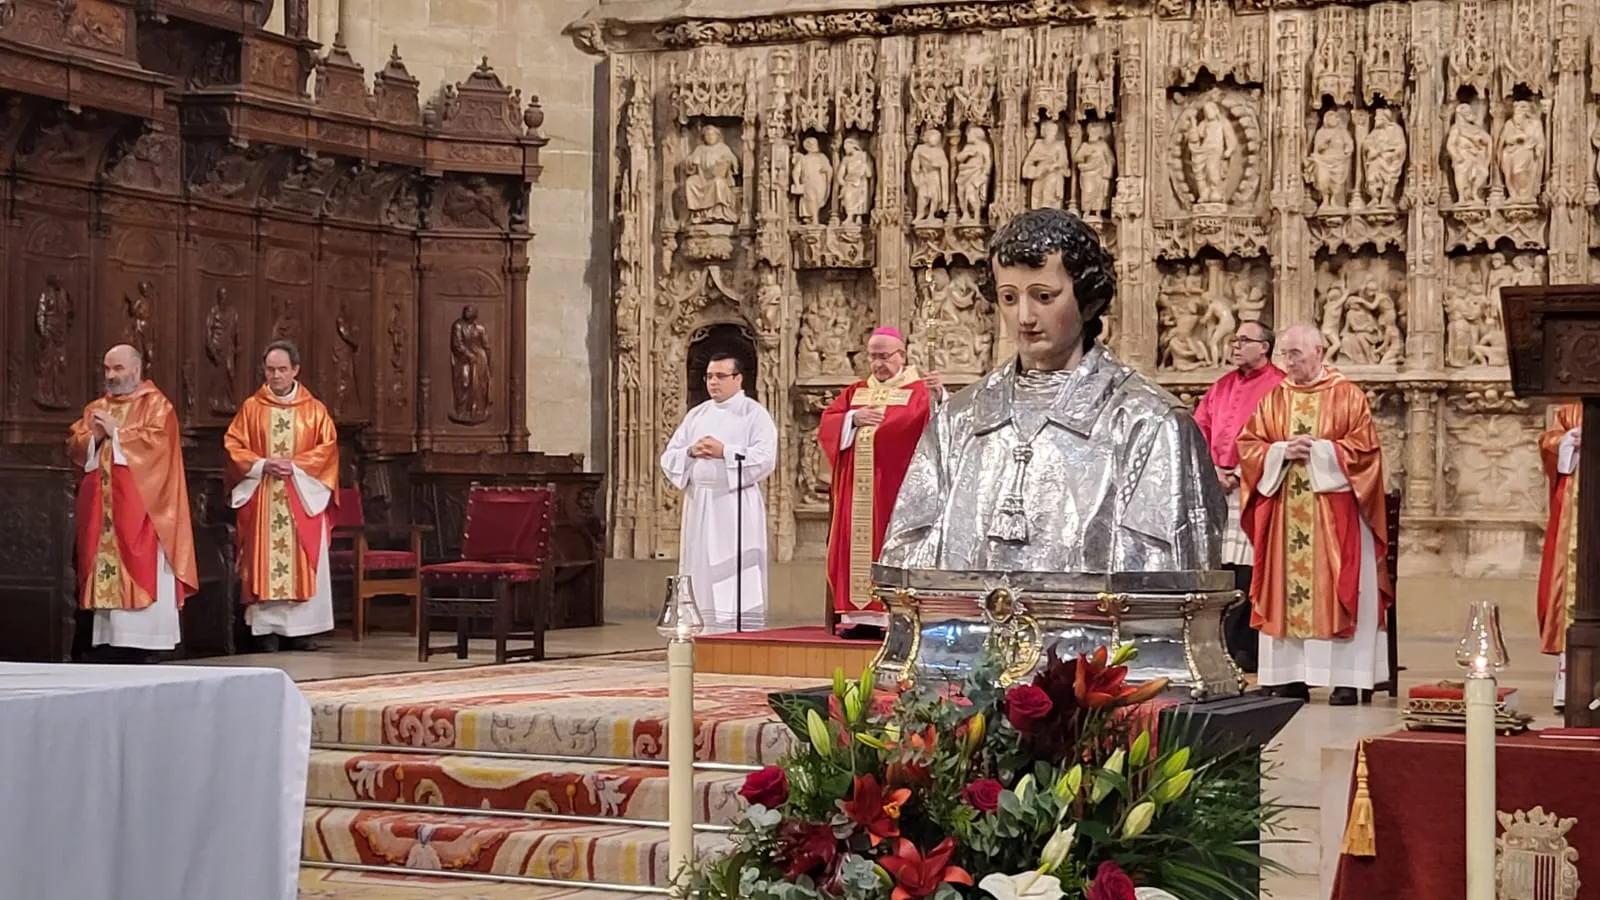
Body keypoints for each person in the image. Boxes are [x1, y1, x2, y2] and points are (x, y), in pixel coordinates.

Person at [879, 208, 1224, 573]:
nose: (1024, 317)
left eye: (1043, 296)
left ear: (1088, 300)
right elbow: (907, 562)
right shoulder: (960, 419)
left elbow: (1171, 584)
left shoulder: (1150, 423)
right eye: (1009, 298)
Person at [1238, 324, 1391, 706]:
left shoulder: (1348, 396)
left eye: (1296, 354)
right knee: (1281, 588)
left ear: (1319, 351)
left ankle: (1347, 678)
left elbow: (1366, 452)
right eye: (1284, 355)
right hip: (1284, 513)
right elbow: (1249, 444)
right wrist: (1279, 452)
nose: (1288, 363)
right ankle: (1289, 677)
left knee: (1340, 587)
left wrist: (1322, 452)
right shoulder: (1274, 399)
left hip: (1335, 516)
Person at [67, 345, 198, 662]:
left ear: (137, 370)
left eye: (118, 369)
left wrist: (118, 433)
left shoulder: (158, 406)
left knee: (143, 571)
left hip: (145, 514)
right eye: (107, 369)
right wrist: (95, 438)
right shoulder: (96, 407)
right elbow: (75, 444)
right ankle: (111, 642)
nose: (111, 376)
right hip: (106, 514)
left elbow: (158, 447)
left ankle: (149, 643)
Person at [818, 327, 943, 639]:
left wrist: (939, 396)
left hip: (895, 491)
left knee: (891, 548)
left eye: (884, 356)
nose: (878, 363)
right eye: (873, 356)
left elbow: (937, 427)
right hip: (856, 491)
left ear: (901, 355)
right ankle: (860, 618)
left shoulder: (919, 390)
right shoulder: (856, 392)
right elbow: (828, 423)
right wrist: (851, 420)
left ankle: (893, 619)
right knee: (856, 548)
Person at [224, 340, 340, 651]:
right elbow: (233, 446)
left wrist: (294, 466)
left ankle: (302, 631)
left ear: (295, 370)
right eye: (270, 370)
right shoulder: (252, 408)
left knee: (303, 557)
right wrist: (262, 464)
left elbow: (327, 450)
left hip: (301, 497)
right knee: (262, 558)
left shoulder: (314, 411)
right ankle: (266, 631)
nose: (275, 376)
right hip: (264, 495)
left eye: (282, 370)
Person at [660, 352, 778, 633]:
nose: (713, 382)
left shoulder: (754, 414)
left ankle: (737, 631)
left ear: (738, 379)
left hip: (735, 504)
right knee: (698, 566)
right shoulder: (697, 414)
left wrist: (724, 451)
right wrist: (691, 451)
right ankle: (699, 629)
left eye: (721, 376)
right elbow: (669, 457)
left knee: (734, 573)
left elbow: (765, 459)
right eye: (709, 376)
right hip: (700, 502)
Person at [1192, 321, 1285, 673]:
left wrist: (1244, 472)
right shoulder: (1221, 386)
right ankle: (1223, 642)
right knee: (1223, 564)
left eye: (1244, 340)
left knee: (1250, 566)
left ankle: (1245, 644)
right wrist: (1213, 469)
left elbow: (1281, 436)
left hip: (1259, 487)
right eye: (1234, 340)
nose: (1235, 346)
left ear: (1264, 347)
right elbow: (1200, 429)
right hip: (1220, 486)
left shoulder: (1279, 386)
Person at [1535, 401, 1583, 712]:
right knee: (1573, 587)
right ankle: (1572, 687)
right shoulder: (1572, 409)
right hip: (1577, 512)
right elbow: (1550, 441)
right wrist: (1569, 441)